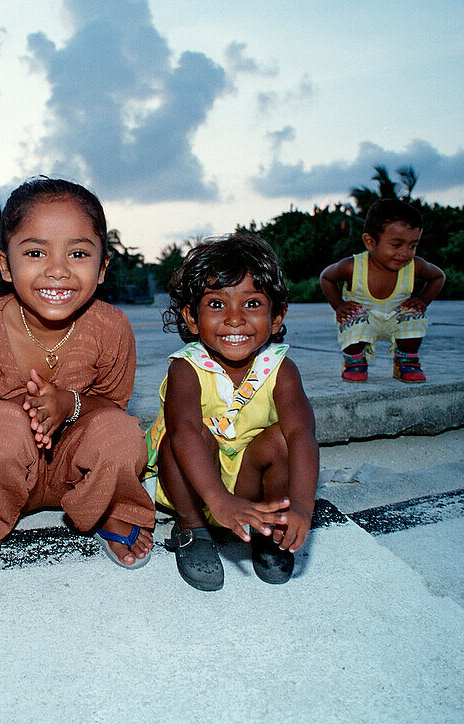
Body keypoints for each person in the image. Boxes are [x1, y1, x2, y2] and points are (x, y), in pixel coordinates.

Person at [0, 177, 155, 591]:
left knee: (122, 433)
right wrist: (15, 418)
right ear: (6, 265)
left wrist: (69, 404)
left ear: (102, 268)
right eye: (36, 252)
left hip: (76, 472)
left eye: (78, 253)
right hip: (4, 471)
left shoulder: (112, 328)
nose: (57, 270)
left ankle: (109, 505)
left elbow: (113, 404)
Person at [144, 233, 319, 592]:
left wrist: (302, 504)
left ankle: (271, 527)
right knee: (182, 439)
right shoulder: (186, 368)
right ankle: (192, 530)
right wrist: (217, 499)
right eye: (217, 304)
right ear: (191, 318)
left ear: (276, 316)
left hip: (246, 484)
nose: (235, 319)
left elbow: (303, 434)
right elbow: (185, 431)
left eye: (252, 304)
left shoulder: (281, 368)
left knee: (283, 439)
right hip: (193, 486)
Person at [319, 199, 446, 383]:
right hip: (364, 318)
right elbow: (326, 277)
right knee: (352, 316)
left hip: (396, 317)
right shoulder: (353, 267)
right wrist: (339, 306)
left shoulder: (414, 265)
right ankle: (354, 361)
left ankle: (406, 360)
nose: (405, 253)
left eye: (412, 245)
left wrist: (423, 301)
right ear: (370, 242)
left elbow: (438, 277)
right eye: (396, 245)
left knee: (415, 314)